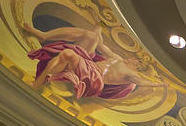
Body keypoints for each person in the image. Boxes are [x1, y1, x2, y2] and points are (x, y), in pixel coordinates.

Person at [24, 21, 162, 100]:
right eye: (135, 58)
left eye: (137, 62)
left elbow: (143, 82)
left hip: (94, 78)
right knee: (92, 37)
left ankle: (37, 83)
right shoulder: (117, 59)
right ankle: (44, 35)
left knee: (67, 54)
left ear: (137, 66)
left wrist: (159, 85)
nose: (133, 59)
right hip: (89, 65)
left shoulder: (131, 75)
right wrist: (99, 25)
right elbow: (101, 45)